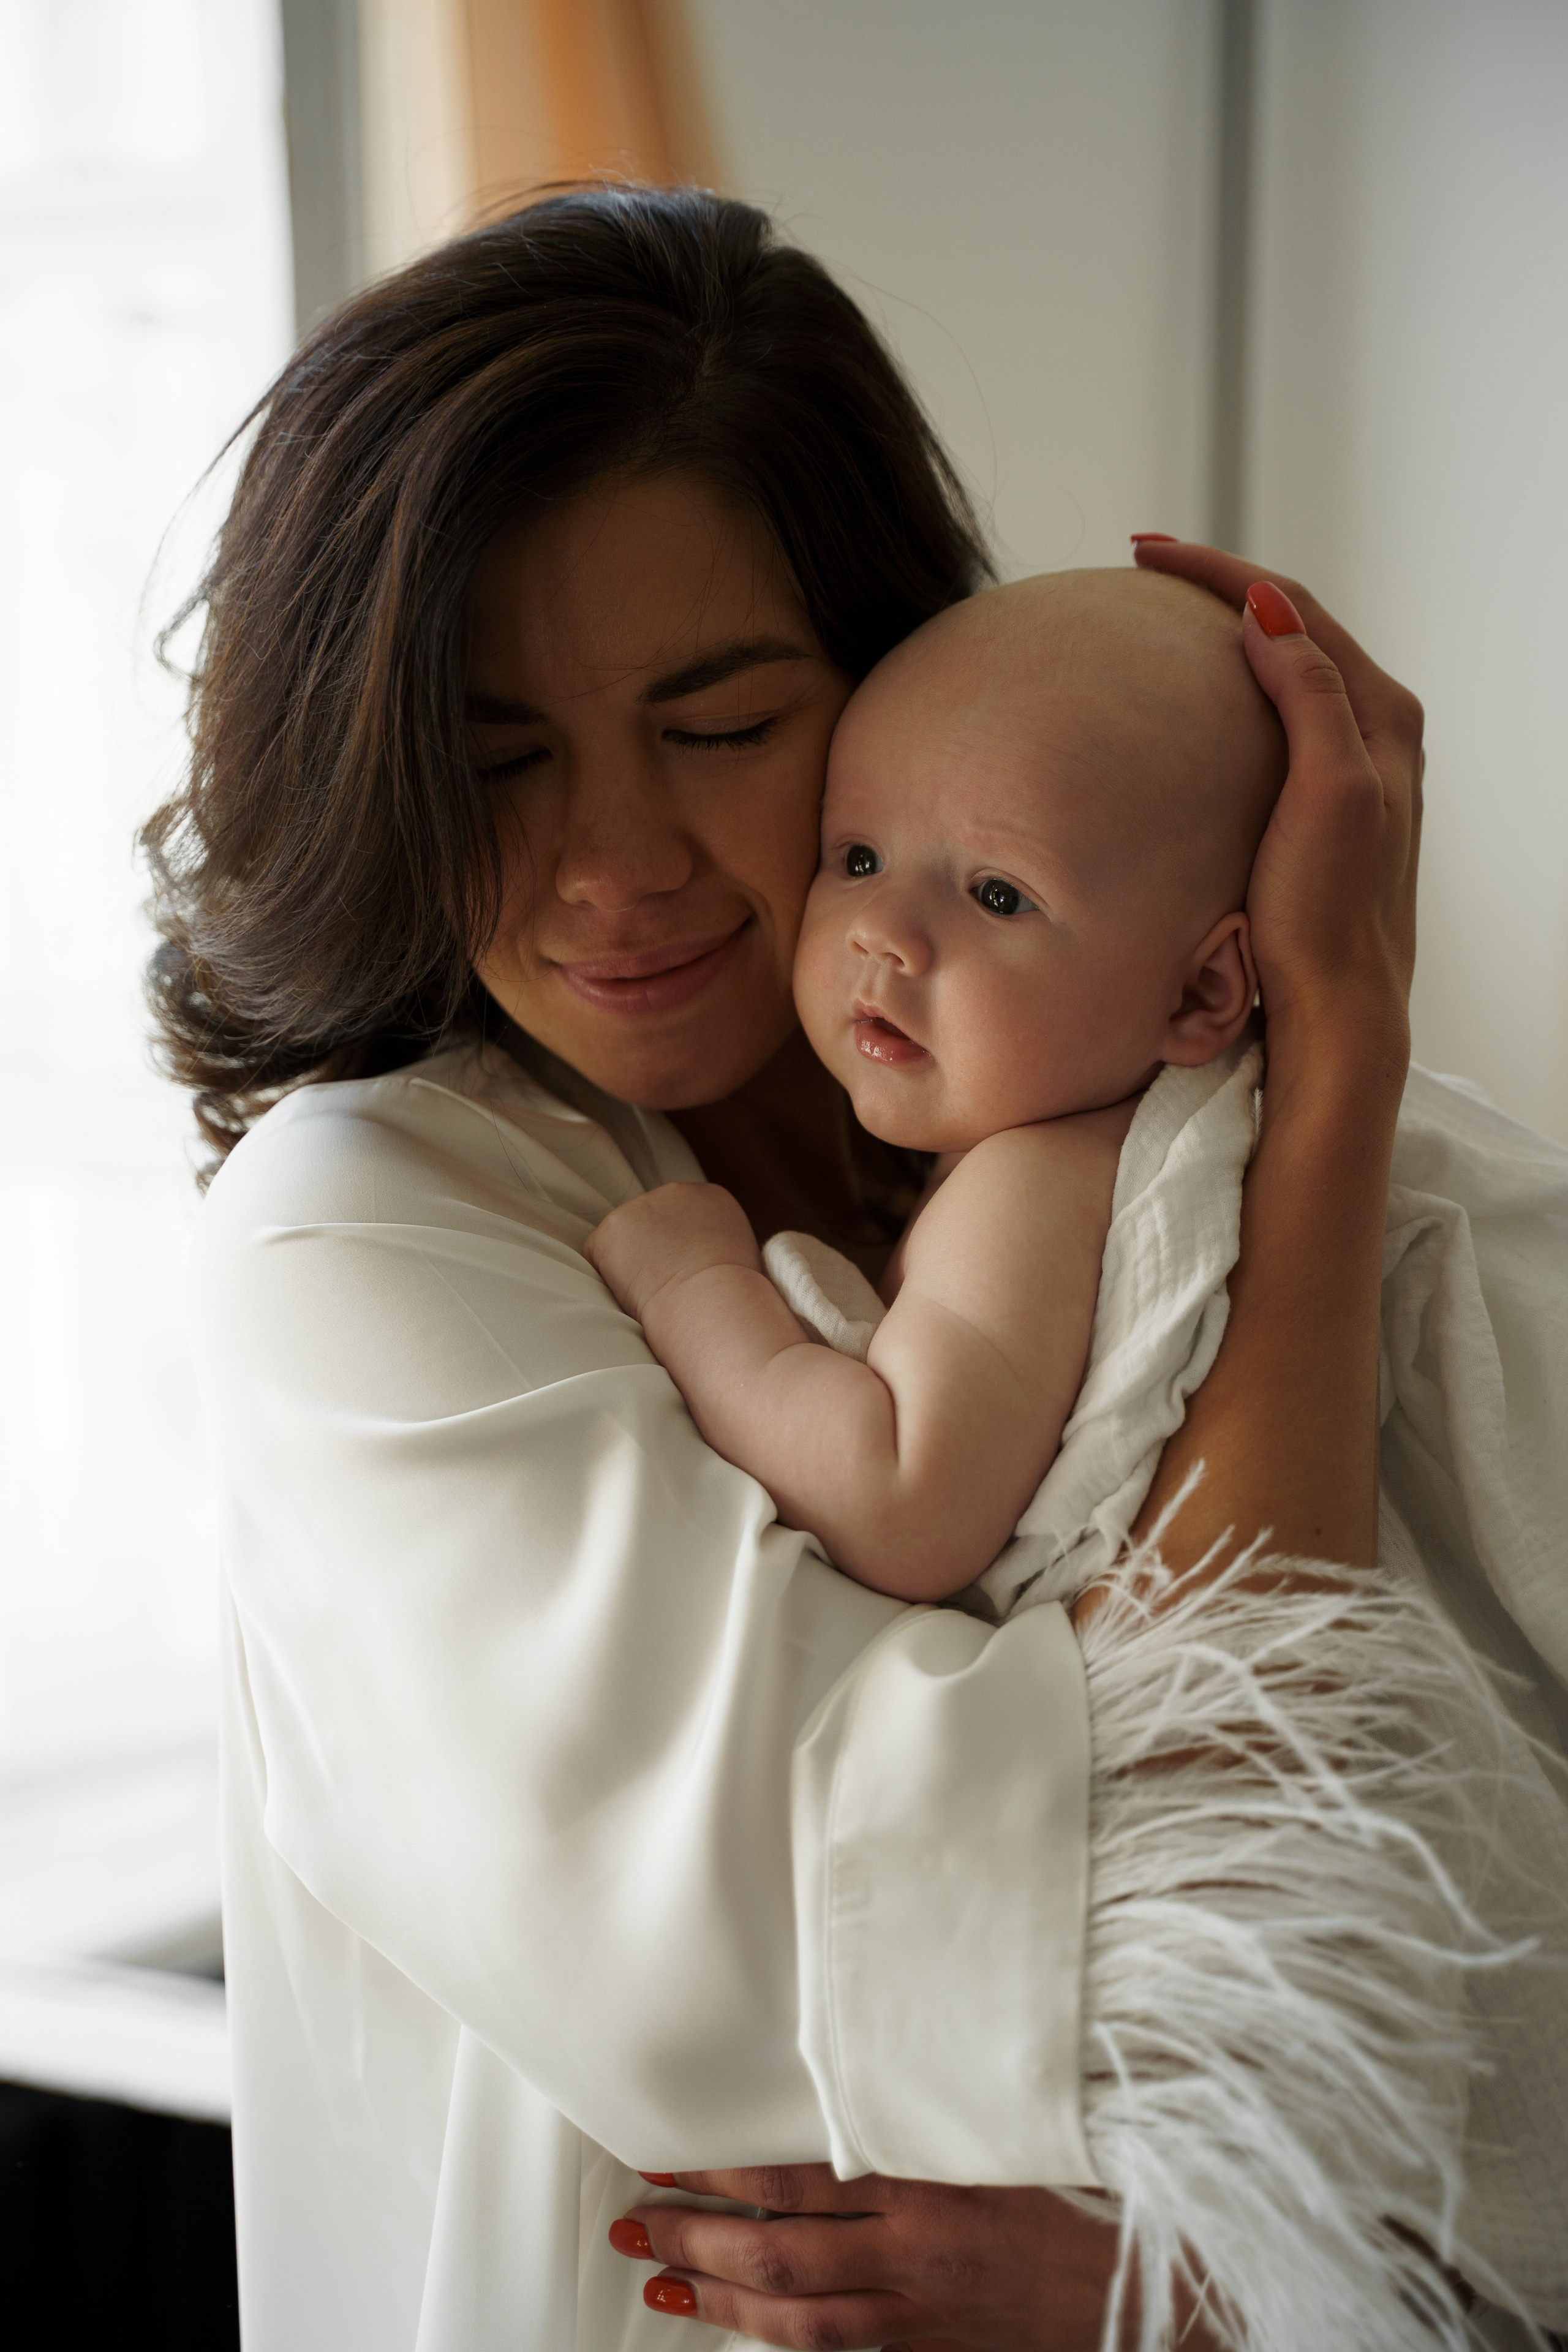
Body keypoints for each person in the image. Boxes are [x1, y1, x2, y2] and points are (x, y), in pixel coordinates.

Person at [144, 186, 1518, 2350]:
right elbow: (1010, 1934)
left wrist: (1338, 1072)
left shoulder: (1220, 1133)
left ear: (890, 679)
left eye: (719, 727)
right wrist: (1233, 2268)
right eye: (494, 758)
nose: (620, 866)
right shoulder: (367, 1239)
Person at [582, 567, 1284, 1600]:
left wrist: (694, 1288)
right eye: (858, 857)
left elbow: (907, 1504)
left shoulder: (1032, 1184)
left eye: (998, 893)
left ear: (1200, 992)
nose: (880, 931)